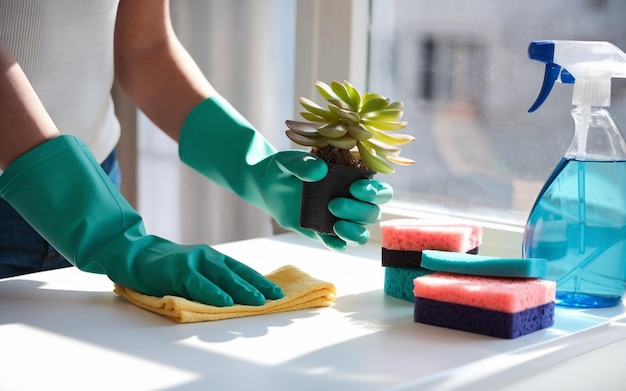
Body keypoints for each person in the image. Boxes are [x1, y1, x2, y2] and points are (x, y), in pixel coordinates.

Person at [0, 1, 392, 306]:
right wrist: (108, 236)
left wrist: (256, 169)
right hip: (64, 207)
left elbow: (145, 47)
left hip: (95, 183)